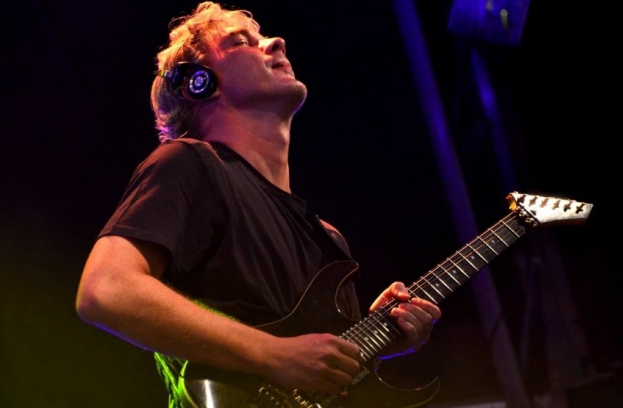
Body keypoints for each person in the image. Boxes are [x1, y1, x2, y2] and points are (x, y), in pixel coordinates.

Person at [75, 2, 442, 407]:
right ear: (199, 83)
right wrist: (274, 355)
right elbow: (106, 290)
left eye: (264, 36)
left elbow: (312, 378)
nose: (276, 42)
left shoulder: (328, 237)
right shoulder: (189, 164)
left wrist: (376, 338)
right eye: (241, 42)